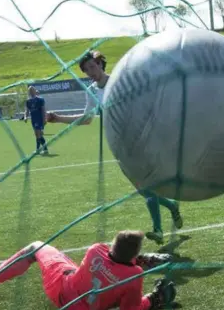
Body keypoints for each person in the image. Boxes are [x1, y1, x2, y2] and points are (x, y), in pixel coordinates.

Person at [46, 51, 183, 245]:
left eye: (92, 67)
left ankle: (158, 230)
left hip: (139, 139)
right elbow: (86, 119)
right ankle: (171, 207)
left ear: (101, 64)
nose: (90, 72)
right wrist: (58, 118)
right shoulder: (92, 90)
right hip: (119, 146)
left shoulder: (120, 82)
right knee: (143, 190)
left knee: (147, 185)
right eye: (86, 70)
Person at [0, 230, 177, 310]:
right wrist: (153, 299)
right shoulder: (135, 276)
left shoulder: (96, 250)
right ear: (135, 255)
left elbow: (114, 256)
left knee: (35, 247)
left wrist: (141, 259)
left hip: (59, 286)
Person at [23, 86, 49, 155]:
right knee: (37, 134)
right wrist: (25, 117)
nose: (31, 92)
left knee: (39, 134)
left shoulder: (40, 100)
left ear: (35, 91)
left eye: (32, 90)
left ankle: (43, 149)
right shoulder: (28, 101)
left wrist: (45, 118)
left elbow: (43, 110)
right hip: (33, 119)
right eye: (30, 91)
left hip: (39, 118)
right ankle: (40, 149)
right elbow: (27, 110)